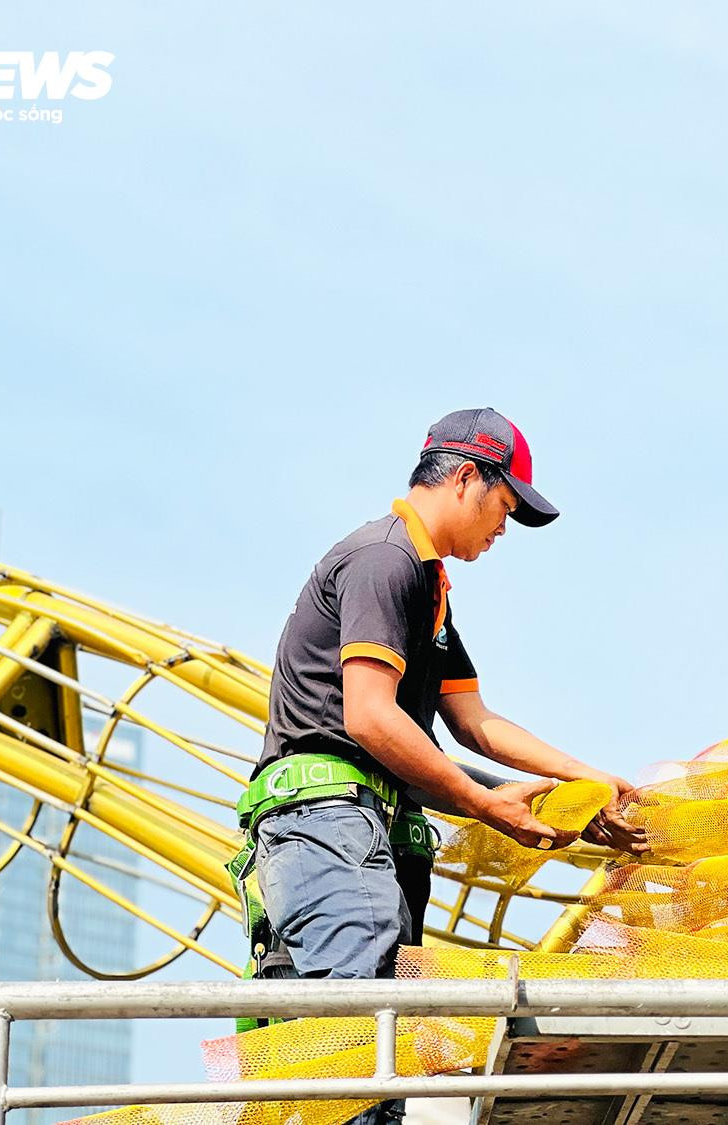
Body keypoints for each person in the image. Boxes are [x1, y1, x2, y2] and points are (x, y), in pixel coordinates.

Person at [236, 407, 643, 1123]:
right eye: (504, 507)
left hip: (353, 832)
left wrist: (588, 781)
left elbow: (474, 723)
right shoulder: (384, 559)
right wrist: (485, 804)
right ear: (465, 478)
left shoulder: (426, 588)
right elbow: (368, 715)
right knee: (362, 1040)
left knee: (358, 1053)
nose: (502, 530)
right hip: (330, 828)